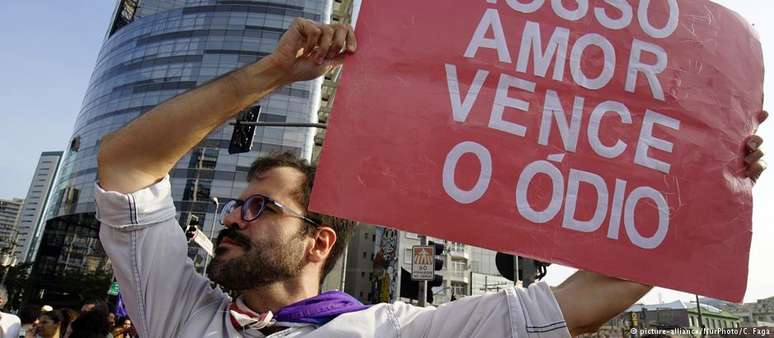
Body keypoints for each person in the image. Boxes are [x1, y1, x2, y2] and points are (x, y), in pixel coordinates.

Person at [95, 18, 768, 338]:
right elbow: (126, 166)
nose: (231, 220)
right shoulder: (180, 313)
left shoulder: (392, 331)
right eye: (235, 205)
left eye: (257, 207)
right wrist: (268, 75)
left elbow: (586, 301)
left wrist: (708, 181)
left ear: (320, 241)